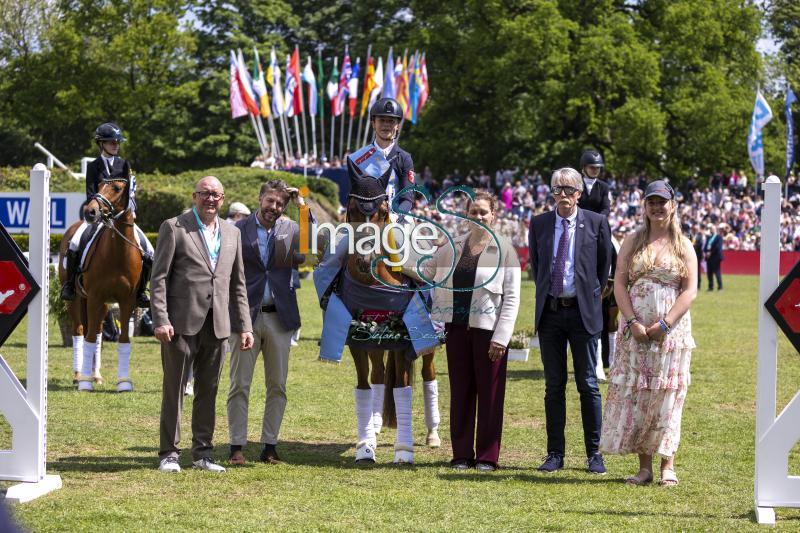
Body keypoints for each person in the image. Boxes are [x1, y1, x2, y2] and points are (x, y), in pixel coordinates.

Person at [150, 176, 254, 474]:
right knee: (175, 389)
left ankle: (203, 454)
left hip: (219, 325)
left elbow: (238, 284)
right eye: (206, 194)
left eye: (217, 195)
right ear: (195, 196)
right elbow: (158, 278)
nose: (211, 200)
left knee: (209, 390)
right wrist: (161, 319)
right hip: (180, 324)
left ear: (223, 200)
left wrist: (245, 326)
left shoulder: (232, 233)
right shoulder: (175, 227)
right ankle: (169, 453)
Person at [599, 180, 697, 486]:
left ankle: (668, 464)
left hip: (671, 334)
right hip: (636, 331)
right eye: (651, 202)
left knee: (668, 395)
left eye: (662, 202)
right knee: (640, 394)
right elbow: (619, 283)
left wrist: (665, 323)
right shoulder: (632, 240)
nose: (657, 207)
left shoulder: (684, 245)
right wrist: (631, 322)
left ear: (673, 205)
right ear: (645, 206)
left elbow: (690, 290)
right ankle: (645, 468)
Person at [422, 191, 521, 471]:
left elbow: (512, 298)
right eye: (473, 212)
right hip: (457, 329)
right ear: (465, 215)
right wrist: (391, 257)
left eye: (483, 212)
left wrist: (501, 337)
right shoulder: (452, 247)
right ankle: (462, 454)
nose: (478, 216)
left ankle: (488, 456)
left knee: (490, 396)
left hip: (488, 334)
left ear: (494, 215)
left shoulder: (505, 250)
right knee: (461, 393)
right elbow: (425, 270)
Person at [528, 167, 611, 474]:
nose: (563, 195)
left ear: (579, 194)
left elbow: (603, 268)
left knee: (588, 384)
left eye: (568, 190)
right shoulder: (539, 224)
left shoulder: (597, 223)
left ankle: (594, 453)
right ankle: (555, 454)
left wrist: (591, 295)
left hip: (583, 312)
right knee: (554, 386)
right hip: (550, 313)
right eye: (557, 189)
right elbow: (537, 267)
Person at [227, 180, 308, 466]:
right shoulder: (237, 230)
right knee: (239, 385)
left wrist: (302, 205)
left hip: (280, 317)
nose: (274, 207)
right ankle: (236, 446)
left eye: (279, 204)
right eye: (270, 201)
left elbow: (314, 248)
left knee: (278, 385)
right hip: (244, 318)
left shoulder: (289, 230)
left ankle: (269, 446)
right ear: (260, 198)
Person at [61, 122, 154, 307]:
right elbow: (90, 193)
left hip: (121, 219)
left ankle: (141, 291)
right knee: (74, 243)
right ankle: (70, 285)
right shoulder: (94, 166)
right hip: (98, 217)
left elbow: (130, 192)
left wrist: (131, 211)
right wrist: (98, 212)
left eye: (117, 142)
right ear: (101, 143)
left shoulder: (124, 165)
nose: (115, 145)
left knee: (149, 251)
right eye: (111, 142)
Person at [367, 97, 416, 217]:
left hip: (396, 216)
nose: (386, 125)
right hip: (366, 215)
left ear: (398, 125)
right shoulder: (360, 157)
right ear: (373, 123)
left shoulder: (404, 158)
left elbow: (407, 198)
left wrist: (395, 216)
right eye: (382, 120)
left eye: (391, 121)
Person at [577, 149, 611, 216]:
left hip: (597, 222)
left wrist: (597, 221)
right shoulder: (576, 185)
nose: (595, 170)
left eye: (598, 167)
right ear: (584, 167)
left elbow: (606, 209)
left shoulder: (604, 187)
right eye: (592, 167)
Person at [704, 223, 724, 291]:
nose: (711, 230)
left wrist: (711, 252)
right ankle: (710, 287)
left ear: (715, 229)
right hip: (709, 257)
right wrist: (705, 252)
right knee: (709, 273)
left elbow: (718, 247)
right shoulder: (709, 237)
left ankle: (720, 287)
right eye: (710, 229)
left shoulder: (719, 237)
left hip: (715, 257)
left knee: (717, 272)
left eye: (712, 229)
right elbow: (706, 246)